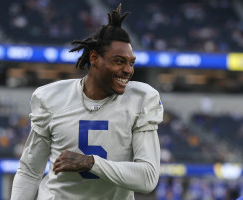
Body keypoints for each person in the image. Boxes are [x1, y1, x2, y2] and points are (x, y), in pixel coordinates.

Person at [11, 4, 163, 200]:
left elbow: (148, 178)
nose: (128, 70)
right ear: (94, 58)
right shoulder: (52, 98)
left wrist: (91, 162)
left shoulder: (141, 99)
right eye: (119, 61)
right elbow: (30, 171)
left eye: (131, 62)